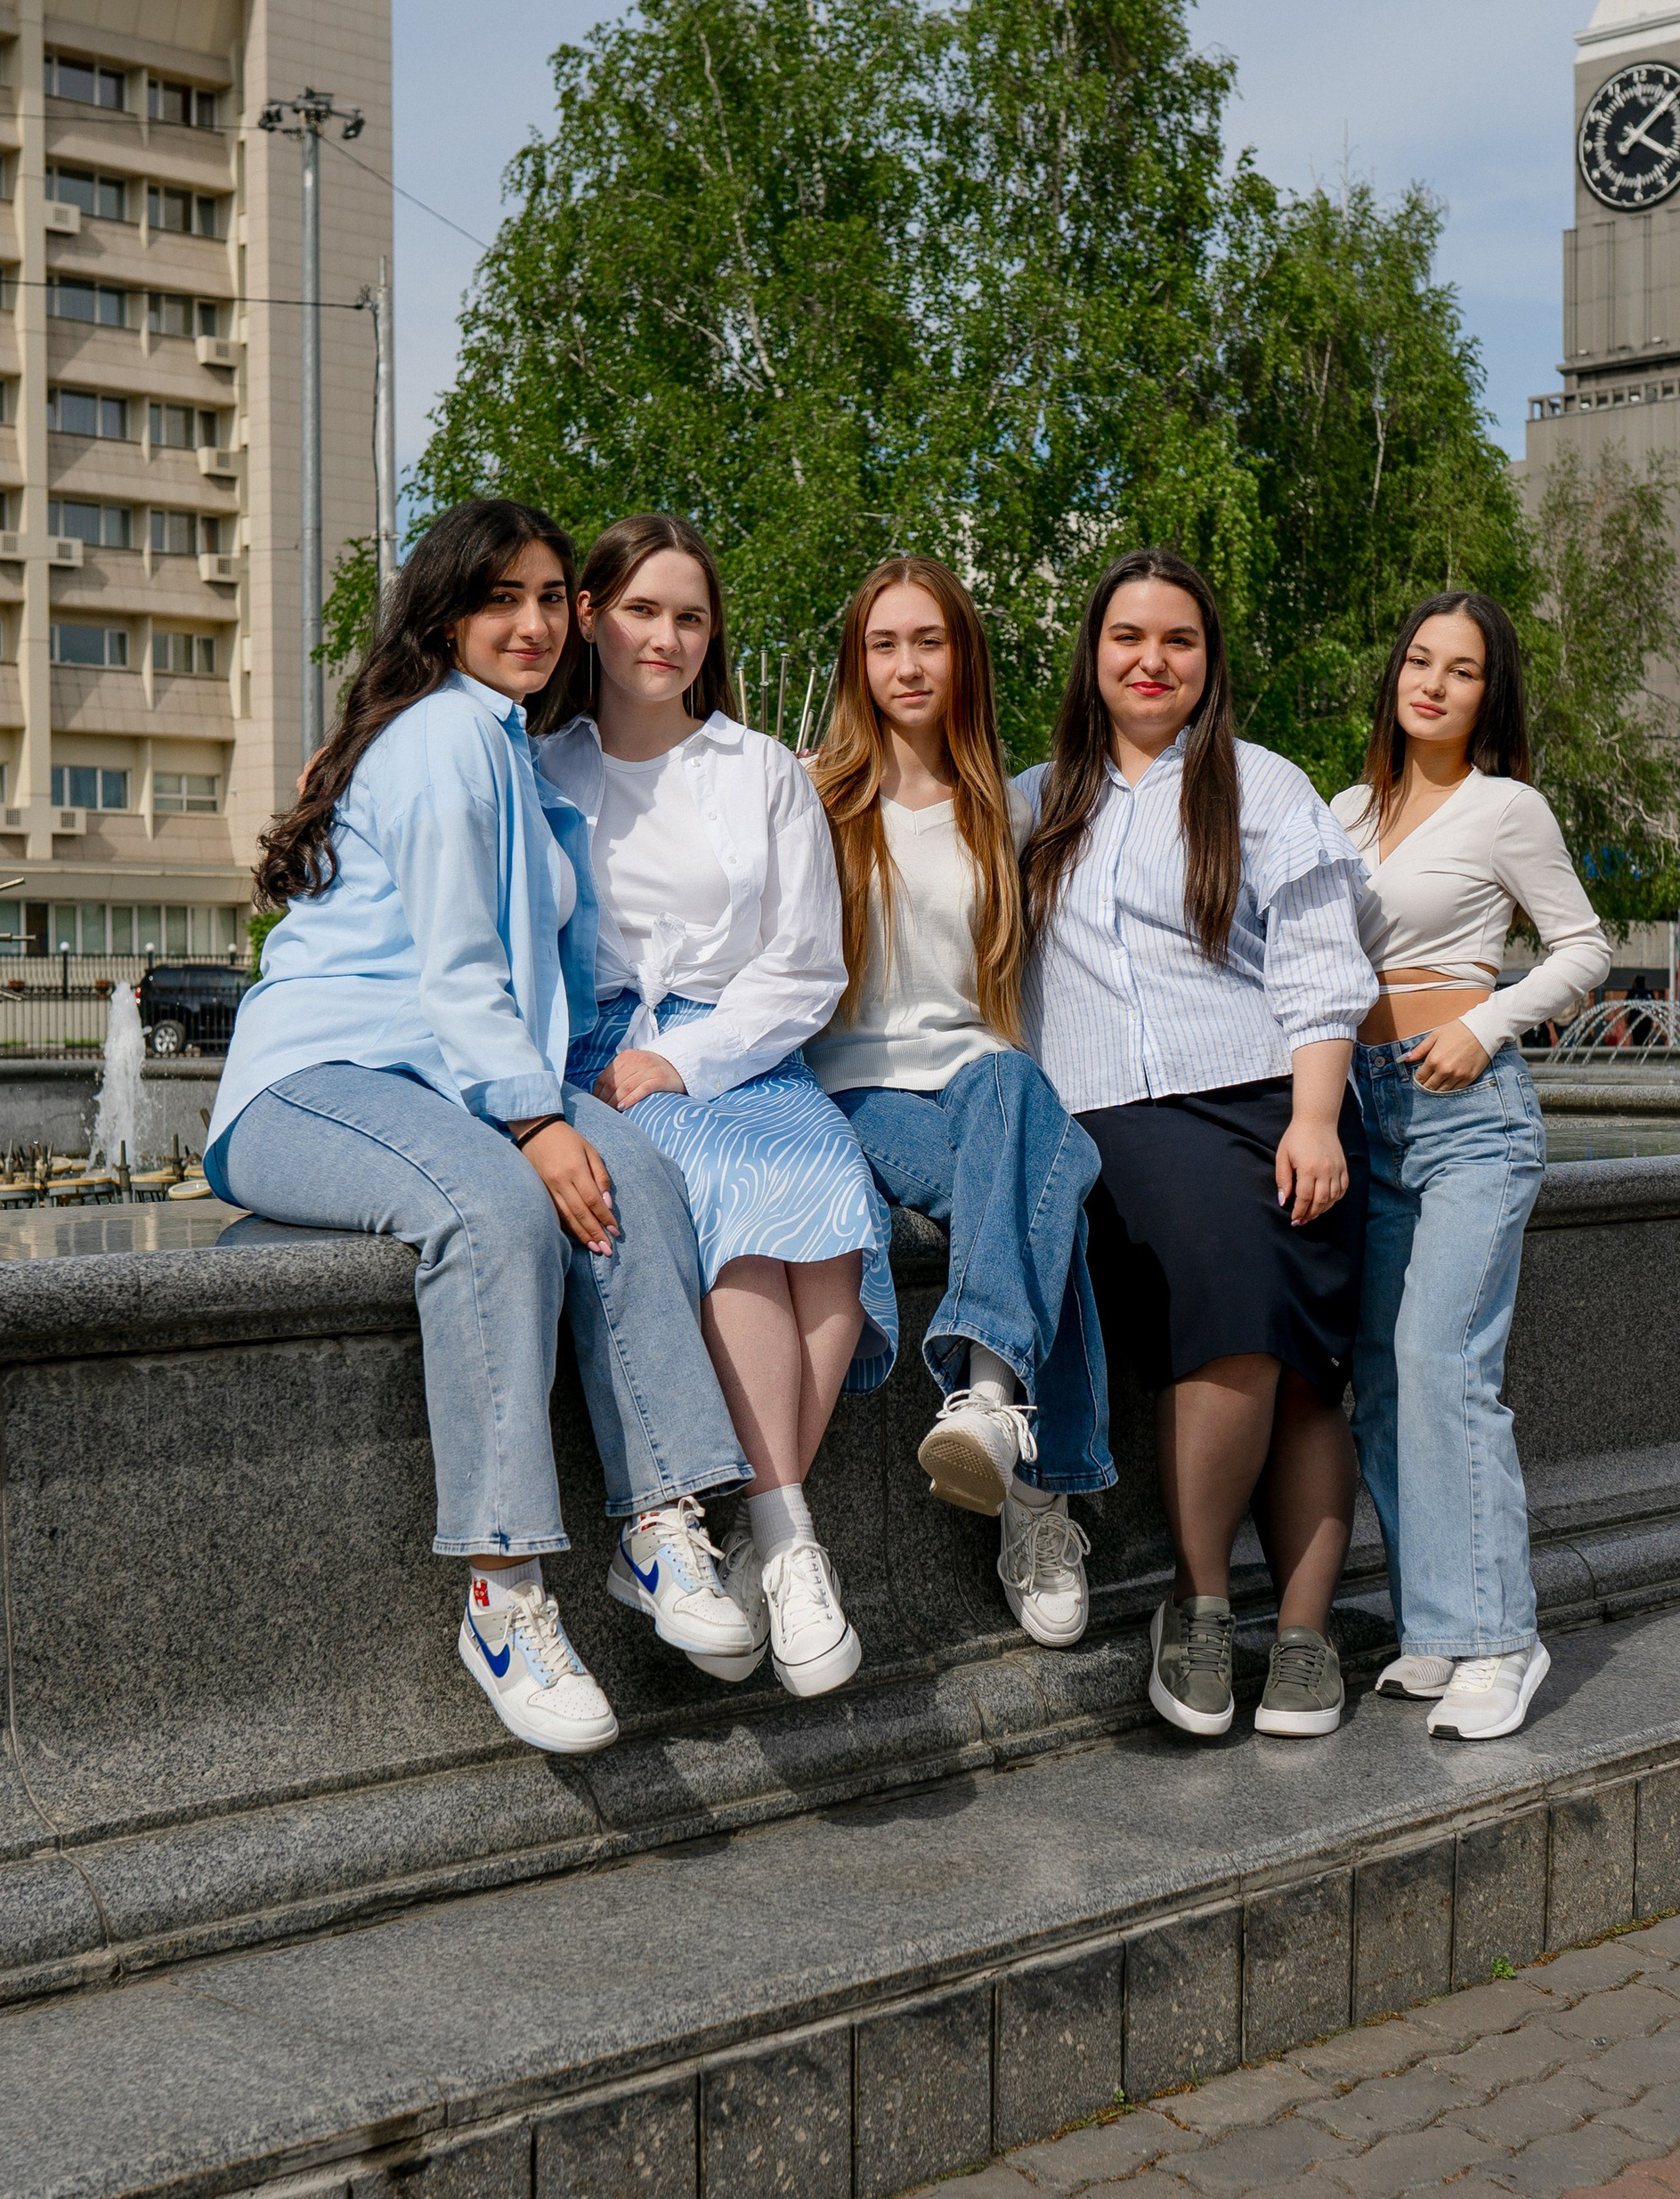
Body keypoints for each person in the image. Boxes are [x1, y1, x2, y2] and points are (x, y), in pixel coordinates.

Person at [206, 499, 759, 1758]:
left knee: (639, 1175)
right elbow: (458, 966)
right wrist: (529, 1121)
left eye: (554, 597)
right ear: (446, 614)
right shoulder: (446, 739)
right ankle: (502, 1596)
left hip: (442, 1077)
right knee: (500, 1209)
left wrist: (558, 1117)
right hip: (319, 1079)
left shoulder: (505, 742)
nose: (533, 621)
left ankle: (660, 1526)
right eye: (500, 598)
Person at [539, 514, 895, 1701]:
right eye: (642, 609)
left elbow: (804, 964)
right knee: (734, 1214)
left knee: (836, 1203)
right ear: (590, 615)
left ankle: (773, 1540)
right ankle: (792, 1546)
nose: (667, 637)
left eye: (690, 616)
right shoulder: (543, 767)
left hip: (736, 1046)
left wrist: (694, 1057)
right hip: (597, 1049)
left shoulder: (761, 772)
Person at [1023, 548, 1376, 1741]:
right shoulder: (1037, 801)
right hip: (1117, 1114)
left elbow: (1324, 972)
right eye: (1129, 637)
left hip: (1278, 1099)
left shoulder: (1264, 788)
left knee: (1306, 1371)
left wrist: (1320, 1118)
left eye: (1178, 640)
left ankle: (1306, 1636)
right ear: (1094, 654)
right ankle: (1202, 1601)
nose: (1152, 661)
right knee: (1233, 1311)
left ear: (1209, 662)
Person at [807, 556, 1115, 1648]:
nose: (906, 664)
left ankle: (988, 1412)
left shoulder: (1009, 806)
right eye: (884, 643)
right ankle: (1041, 1495)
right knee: (1052, 1183)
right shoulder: (810, 796)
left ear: (962, 655)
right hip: (860, 1091)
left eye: (927, 641)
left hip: (984, 1080)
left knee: (1020, 1100)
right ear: (858, 662)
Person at [1331, 592, 1611, 1741]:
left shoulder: (1507, 807)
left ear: (1489, 697)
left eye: (1463, 670)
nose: (1433, 682)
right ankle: (1439, 1626)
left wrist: (1489, 1021)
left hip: (1468, 1110)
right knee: (1386, 1382)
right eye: (1418, 659)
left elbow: (1585, 947)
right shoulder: (1345, 809)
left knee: (1442, 1360)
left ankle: (1505, 1637)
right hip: (1362, 1109)